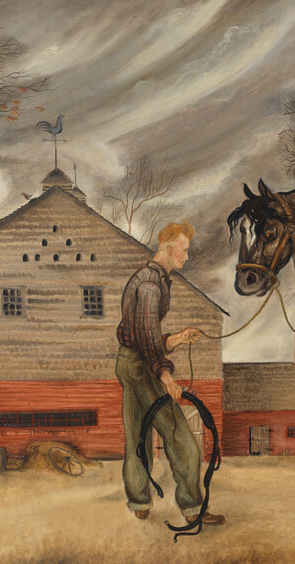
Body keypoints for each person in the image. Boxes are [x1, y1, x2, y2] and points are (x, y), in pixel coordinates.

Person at [115, 221, 225, 525]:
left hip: (129, 361)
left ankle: (139, 501)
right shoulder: (151, 285)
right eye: (184, 249)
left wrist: (177, 338)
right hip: (141, 367)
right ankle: (192, 509)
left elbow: (142, 335)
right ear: (166, 247)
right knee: (180, 436)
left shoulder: (146, 278)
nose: (186, 256)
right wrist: (166, 378)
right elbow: (148, 339)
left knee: (138, 434)